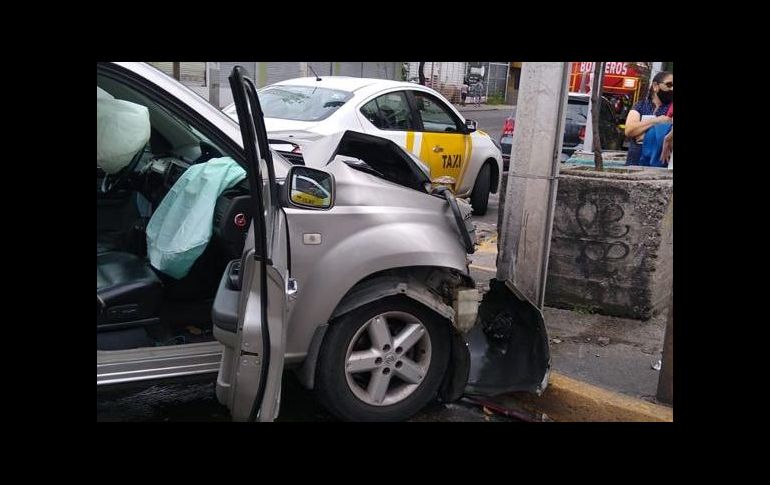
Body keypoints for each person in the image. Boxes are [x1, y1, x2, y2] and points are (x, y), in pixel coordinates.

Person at [624, 71, 673, 165]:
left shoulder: (671, 108)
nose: (672, 89)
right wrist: (657, 120)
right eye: (669, 85)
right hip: (634, 162)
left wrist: (643, 135)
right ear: (655, 86)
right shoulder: (640, 105)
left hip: (660, 164)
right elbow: (629, 130)